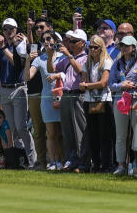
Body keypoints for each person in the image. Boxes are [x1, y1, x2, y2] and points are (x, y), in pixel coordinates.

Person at [0, 17, 34, 167]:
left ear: (16, 30)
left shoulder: (20, 46)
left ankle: (33, 160)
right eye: (5, 29)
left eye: (11, 28)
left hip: (18, 88)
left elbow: (16, 64)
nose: (8, 31)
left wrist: (3, 47)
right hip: (4, 90)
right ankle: (20, 160)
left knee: (21, 126)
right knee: (12, 127)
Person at [25, 28, 65, 170]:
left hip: (62, 98)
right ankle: (54, 161)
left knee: (61, 133)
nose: (46, 42)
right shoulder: (39, 59)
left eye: (49, 39)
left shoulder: (63, 56)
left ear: (55, 40)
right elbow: (27, 77)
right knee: (51, 133)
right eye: (43, 40)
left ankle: (63, 160)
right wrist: (28, 61)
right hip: (47, 99)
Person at [109, 34, 137, 175]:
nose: (123, 48)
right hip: (120, 101)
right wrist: (121, 85)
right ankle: (121, 165)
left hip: (136, 100)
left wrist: (135, 85)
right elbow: (110, 84)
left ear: (133, 48)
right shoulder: (116, 64)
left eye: (126, 46)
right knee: (121, 135)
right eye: (122, 45)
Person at [53, 29, 89, 172]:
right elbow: (52, 68)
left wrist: (68, 55)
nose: (70, 44)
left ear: (82, 43)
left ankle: (83, 161)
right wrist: (51, 54)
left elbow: (82, 71)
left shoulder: (86, 57)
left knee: (79, 130)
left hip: (78, 95)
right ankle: (71, 160)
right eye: (69, 41)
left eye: (74, 41)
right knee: (67, 131)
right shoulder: (67, 58)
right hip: (66, 95)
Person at [81, 34, 113, 173]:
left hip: (104, 101)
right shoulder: (86, 64)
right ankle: (96, 164)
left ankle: (106, 165)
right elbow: (83, 82)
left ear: (101, 48)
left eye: (95, 47)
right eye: (90, 47)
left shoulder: (106, 61)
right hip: (89, 101)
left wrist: (88, 86)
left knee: (105, 135)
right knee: (93, 135)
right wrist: (87, 85)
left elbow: (103, 83)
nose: (92, 49)